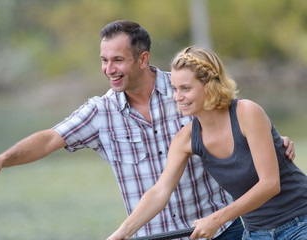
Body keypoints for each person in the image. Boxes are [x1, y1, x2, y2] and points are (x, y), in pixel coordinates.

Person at [0, 20, 295, 239]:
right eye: (104, 60)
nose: (109, 69)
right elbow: (50, 138)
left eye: (117, 60)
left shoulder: (187, 90)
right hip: (155, 234)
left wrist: (270, 142)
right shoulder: (100, 112)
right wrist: (2, 160)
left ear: (141, 59)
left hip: (222, 230)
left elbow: (236, 124)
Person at [107, 46, 307, 240]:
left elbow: (270, 184)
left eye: (186, 88)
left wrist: (216, 219)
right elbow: (160, 191)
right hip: (256, 233)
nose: (178, 97)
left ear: (210, 85)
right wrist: (123, 232)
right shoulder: (185, 139)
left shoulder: (247, 113)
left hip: (300, 222)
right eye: (175, 89)